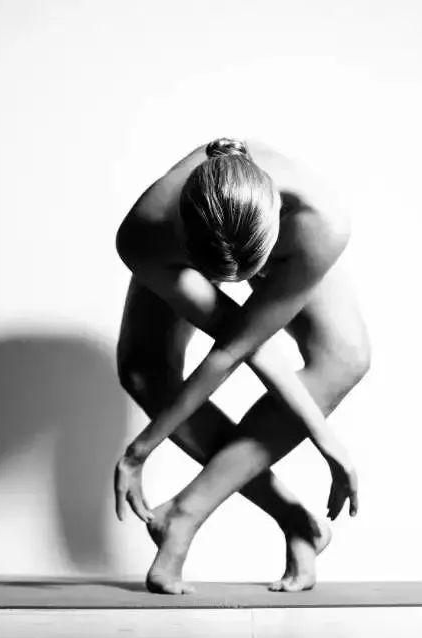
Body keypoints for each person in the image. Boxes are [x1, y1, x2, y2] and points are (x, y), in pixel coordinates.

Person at [113, 137, 371, 595]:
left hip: (289, 236)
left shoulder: (319, 222)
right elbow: (231, 348)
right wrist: (138, 451)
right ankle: (295, 520)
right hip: (176, 240)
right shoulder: (144, 233)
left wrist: (327, 440)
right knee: (142, 370)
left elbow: (240, 346)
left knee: (345, 358)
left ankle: (184, 514)